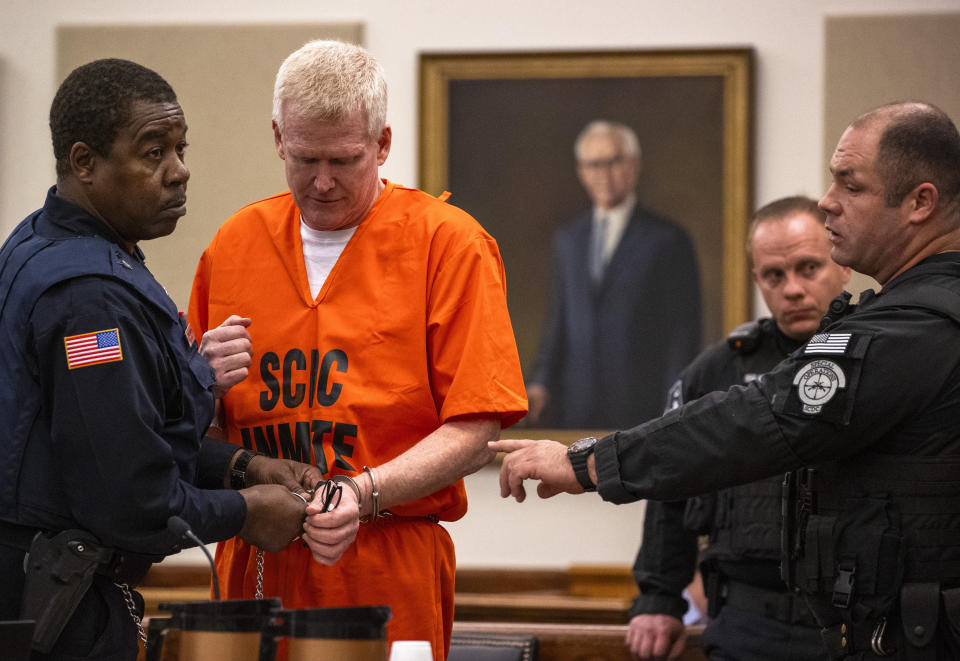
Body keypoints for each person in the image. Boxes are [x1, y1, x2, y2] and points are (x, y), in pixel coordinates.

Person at [493, 100, 960, 660]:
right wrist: (658, 595)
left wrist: (587, 461)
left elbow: (762, 419)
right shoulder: (899, 317)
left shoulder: (914, 327)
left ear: (920, 202)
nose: (828, 201)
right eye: (773, 274)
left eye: (850, 185)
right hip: (778, 621)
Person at [0, 59, 350, 661]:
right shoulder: (88, 298)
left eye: (180, 148)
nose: (179, 171)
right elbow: (128, 497)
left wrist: (242, 465)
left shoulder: (45, 242)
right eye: (153, 152)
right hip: (57, 605)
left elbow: (122, 430)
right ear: (85, 163)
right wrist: (245, 512)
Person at [187, 39, 527, 659]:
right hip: (257, 548)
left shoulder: (449, 244)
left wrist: (363, 493)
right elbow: (188, 430)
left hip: (385, 550)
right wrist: (200, 384)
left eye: (343, 160)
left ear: (383, 143)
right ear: (277, 138)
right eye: (303, 157)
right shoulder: (233, 244)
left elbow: (476, 423)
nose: (321, 182)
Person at [628, 196, 850, 661]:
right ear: (757, 280)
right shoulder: (720, 370)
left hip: (857, 620)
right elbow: (670, 482)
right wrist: (658, 599)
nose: (792, 289)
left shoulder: (881, 355)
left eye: (808, 268)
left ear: (842, 263)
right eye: (775, 275)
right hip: (747, 619)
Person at [525, 120, 701, 429]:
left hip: (643, 411)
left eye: (614, 161)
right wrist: (540, 383)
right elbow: (559, 324)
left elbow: (681, 335)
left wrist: (674, 409)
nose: (604, 173)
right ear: (581, 171)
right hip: (576, 410)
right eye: (593, 164)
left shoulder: (667, 239)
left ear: (634, 165)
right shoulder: (569, 239)